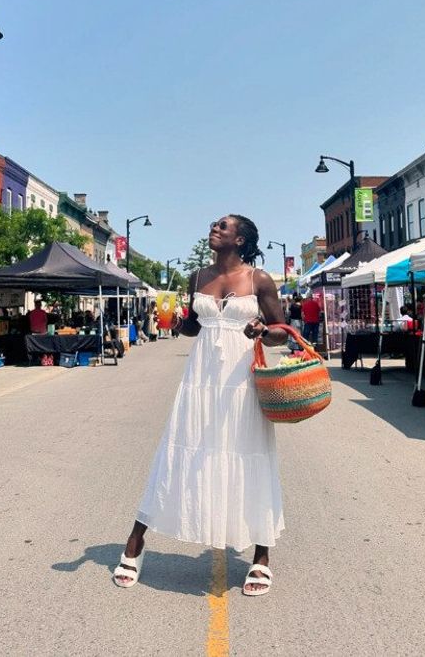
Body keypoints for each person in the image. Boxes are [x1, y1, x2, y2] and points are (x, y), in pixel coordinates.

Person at [113, 214, 289, 598]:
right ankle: (135, 543)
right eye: (213, 224)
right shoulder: (197, 277)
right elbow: (193, 327)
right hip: (199, 382)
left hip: (242, 382)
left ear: (240, 239)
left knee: (248, 454)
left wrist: (262, 330)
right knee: (179, 451)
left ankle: (261, 555)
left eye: (223, 226)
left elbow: (283, 332)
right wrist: (177, 321)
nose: (214, 228)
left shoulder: (259, 279)